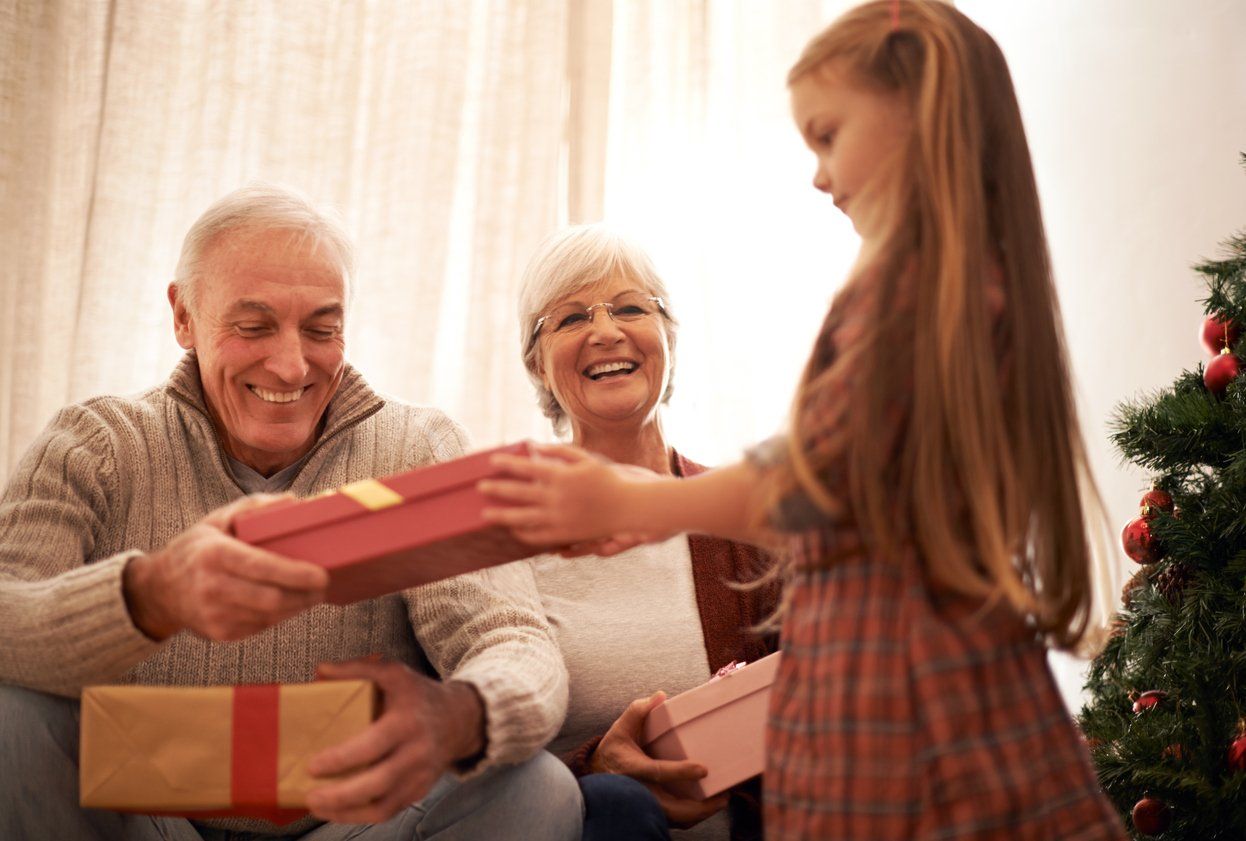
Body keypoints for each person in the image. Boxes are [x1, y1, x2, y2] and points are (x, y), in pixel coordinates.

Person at [479, 1, 1129, 838]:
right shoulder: (944, 289)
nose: (819, 175)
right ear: (537, 358)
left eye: (828, 136)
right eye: (571, 317)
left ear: (915, 115)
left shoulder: (913, 295)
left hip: (897, 698)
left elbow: (824, 479)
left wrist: (639, 506)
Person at [0, 184, 580, 841]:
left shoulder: (416, 449)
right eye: (252, 327)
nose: (291, 363)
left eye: (321, 329)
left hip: (351, 825)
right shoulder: (96, 444)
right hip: (147, 819)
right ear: (183, 314)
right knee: (12, 718)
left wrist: (457, 711)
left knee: (535, 788)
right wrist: (151, 594)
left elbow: (517, 643)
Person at [513, 225, 778, 841]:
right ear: (538, 363)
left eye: (631, 307)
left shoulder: (743, 516)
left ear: (669, 340)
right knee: (613, 802)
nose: (606, 332)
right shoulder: (505, 544)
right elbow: (472, 772)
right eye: (571, 317)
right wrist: (590, 771)